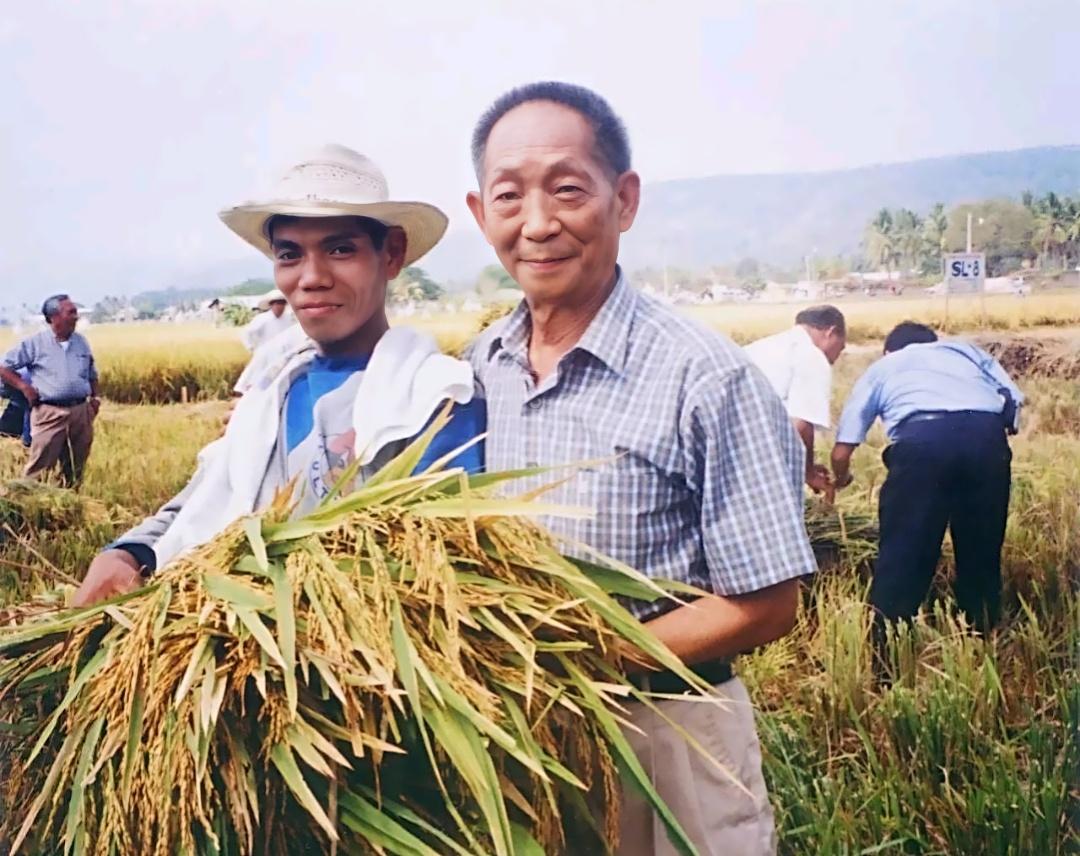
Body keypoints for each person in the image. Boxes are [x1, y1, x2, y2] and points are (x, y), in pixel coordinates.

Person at [466, 82, 815, 855]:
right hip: (525, 736)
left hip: (669, 730)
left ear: (623, 200)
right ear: (480, 213)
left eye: (567, 190)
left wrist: (590, 656)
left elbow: (768, 603)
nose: (538, 223)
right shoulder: (481, 365)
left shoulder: (705, 376)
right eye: (509, 196)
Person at [73, 144, 485, 606]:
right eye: (289, 254)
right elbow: (205, 498)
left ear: (391, 254)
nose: (311, 277)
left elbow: (442, 567)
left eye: (341, 249)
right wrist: (127, 553)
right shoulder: (271, 393)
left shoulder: (433, 399)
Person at [830, 321, 1023, 665]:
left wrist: (841, 478)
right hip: (986, 441)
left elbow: (843, 449)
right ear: (935, 342)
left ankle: (887, 659)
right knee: (982, 547)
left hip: (922, 445)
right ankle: (982, 644)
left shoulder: (885, 366)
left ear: (888, 350)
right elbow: (1013, 401)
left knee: (904, 554)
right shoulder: (965, 351)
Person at [745, 305, 846, 495]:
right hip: (757, 459)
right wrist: (808, 473)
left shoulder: (761, 347)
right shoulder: (811, 356)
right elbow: (800, 424)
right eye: (840, 348)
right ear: (830, 332)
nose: (835, 359)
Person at [0, 295, 100, 486]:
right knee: (39, 467)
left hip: (80, 412)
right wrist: (24, 387)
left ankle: (70, 498)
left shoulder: (81, 342)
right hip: (49, 412)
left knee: (76, 465)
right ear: (54, 317)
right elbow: (4, 367)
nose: (76, 316)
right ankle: (31, 500)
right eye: (71, 312)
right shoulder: (35, 343)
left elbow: (92, 373)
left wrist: (96, 399)